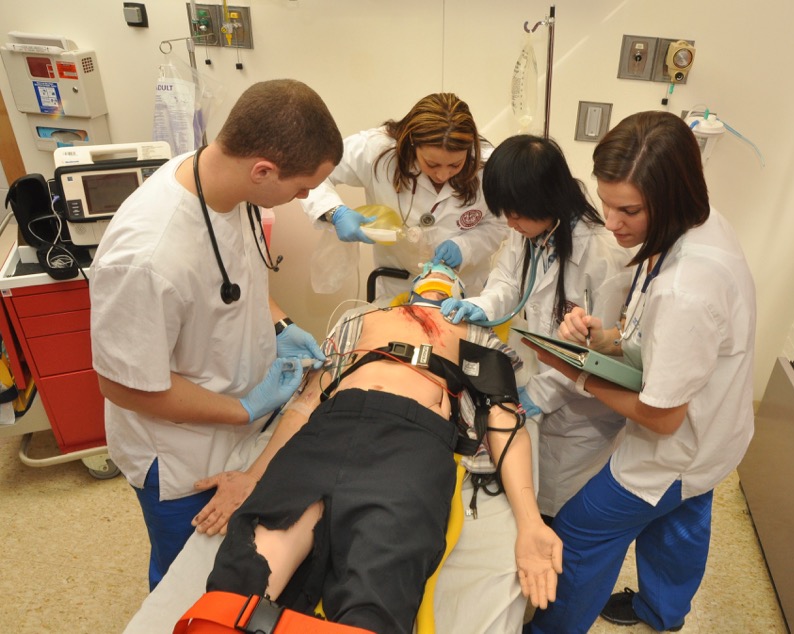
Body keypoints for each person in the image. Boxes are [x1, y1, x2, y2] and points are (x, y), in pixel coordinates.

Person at [199, 263, 563, 634]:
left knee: (376, 592)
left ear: (460, 292)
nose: (438, 270)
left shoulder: (474, 330)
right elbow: (307, 400)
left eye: (447, 272)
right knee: (242, 579)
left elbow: (504, 420)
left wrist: (530, 522)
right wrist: (254, 474)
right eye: (430, 269)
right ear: (414, 285)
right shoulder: (361, 318)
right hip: (329, 427)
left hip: (411, 442)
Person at [89, 79, 344, 591]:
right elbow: (124, 386)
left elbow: (237, 276)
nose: (305, 198)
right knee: (188, 579)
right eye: (300, 188)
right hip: (181, 454)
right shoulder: (147, 258)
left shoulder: (228, 184)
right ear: (263, 170)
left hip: (238, 421)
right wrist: (245, 408)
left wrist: (282, 324)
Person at [524, 111, 756, 633]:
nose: (611, 222)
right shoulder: (702, 221)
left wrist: (576, 372)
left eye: (628, 209)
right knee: (680, 516)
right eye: (605, 203)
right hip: (721, 431)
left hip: (678, 445)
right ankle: (661, 611)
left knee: (582, 532)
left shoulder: (688, 288)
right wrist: (606, 337)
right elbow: (662, 338)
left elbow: (661, 417)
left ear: (671, 197)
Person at [440, 134, 633, 520]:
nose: (510, 223)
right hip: (542, 373)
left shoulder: (604, 255)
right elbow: (509, 281)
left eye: (517, 214)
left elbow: (597, 354)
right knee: (529, 484)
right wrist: (480, 305)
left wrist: (540, 394)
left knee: (561, 506)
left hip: (582, 412)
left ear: (548, 199)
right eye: (506, 214)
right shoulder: (529, 230)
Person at [300, 92, 507, 300]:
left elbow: (500, 224)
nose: (442, 175)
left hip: (465, 292)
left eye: (455, 165)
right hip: (396, 288)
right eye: (432, 164)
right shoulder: (377, 150)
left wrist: (466, 247)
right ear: (413, 143)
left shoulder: (488, 165)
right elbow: (310, 171)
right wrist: (334, 212)